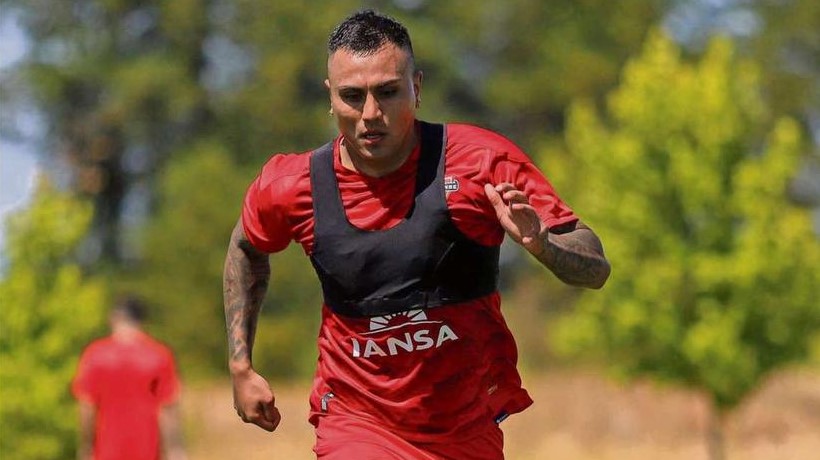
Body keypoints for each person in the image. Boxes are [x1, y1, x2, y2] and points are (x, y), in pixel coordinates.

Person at [223, 9, 610, 459]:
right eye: (352, 96)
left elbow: (595, 268)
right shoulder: (292, 185)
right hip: (355, 419)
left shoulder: (482, 162)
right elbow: (246, 248)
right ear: (331, 97)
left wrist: (543, 244)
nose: (371, 114)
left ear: (417, 88)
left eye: (388, 92)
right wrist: (240, 364)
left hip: (465, 427)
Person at [72, 295, 188, 460]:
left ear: (113, 319)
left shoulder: (95, 354)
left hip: (106, 452)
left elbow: (86, 408)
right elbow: (168, 410)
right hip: (147, 451)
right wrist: (175, 450)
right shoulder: (159, 355)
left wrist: (86, 447)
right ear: (141, 321)